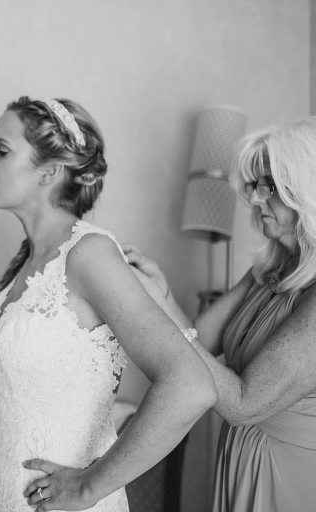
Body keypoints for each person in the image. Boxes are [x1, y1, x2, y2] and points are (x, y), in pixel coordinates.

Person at [0, 96, 217, 511]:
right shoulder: (26, 262)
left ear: (49, 172)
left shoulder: (89, 254)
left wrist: (88, 487)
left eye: (1, 150)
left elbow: (191, 384)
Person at [126, 116, 316, 512]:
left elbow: (243, 404)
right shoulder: (270, 269)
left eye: (271, 188)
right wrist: (160, 294)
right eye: (256, 187)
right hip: (241, 456)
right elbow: (199, 340)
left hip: (290, 474)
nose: (256, 199)